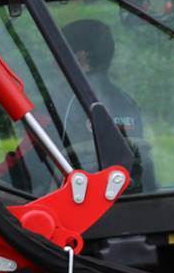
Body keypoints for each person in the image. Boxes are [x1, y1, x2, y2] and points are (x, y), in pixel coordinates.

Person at [62, 18, 154, 189]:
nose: (54, 63)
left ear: (81, 57)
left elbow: (35, 167)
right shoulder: (128, 102)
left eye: (60, 55)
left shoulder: (62, 104)